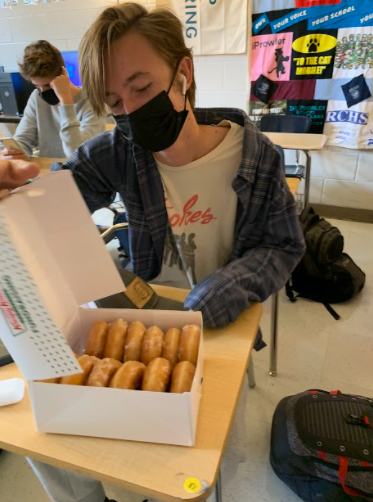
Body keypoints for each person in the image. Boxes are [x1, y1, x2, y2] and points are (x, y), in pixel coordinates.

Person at [25, 3, 306, 502]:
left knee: (202, 465)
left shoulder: (257, 157)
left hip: (222, 330)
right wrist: (17, 186)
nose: (130, 111)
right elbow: (51, 205)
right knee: (114, 461)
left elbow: (282, 244)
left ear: (183, 73)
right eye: (113, 99)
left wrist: (232, 284)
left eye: (142, 87)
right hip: (142, 317)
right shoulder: (116, 152)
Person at [1, 40, 108, 160]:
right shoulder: (36, 97)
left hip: (83, 174)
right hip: (48, 172)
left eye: (47, 85)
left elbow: (77, 154)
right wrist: (15, 151)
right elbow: (23, 138)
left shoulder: (92, 100)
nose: (42, 92)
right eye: (37, 86)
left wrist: (65, 101)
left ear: (64, 74)